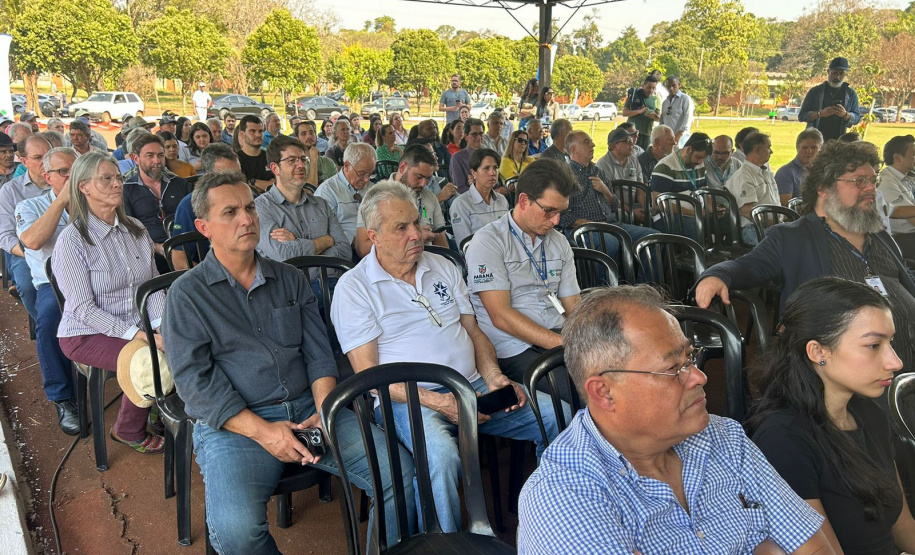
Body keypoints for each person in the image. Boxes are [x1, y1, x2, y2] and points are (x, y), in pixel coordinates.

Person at [162, 171, 416, 553]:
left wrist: (325, 410)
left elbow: (319, 354)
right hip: (237, 423)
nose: (247, 219)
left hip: (308, 408)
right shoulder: (187, 295)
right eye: (230, 212)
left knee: (400, 472)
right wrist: (264, 432)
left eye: (250, 208)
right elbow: (196, 385)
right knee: (236, 533)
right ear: (204, 227)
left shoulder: (290, 278)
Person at [517, 285, 833, 553]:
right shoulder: (562, 495)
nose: (699, 377)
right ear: (605, 393)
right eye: (672, 369)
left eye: (690, 358)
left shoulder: (724, 437)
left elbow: (815, 548)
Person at [332, 179, 560, 534]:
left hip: (473, 385)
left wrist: (494, 376)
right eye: (402, 228)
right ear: (373, 236)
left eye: (417, 222)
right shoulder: (354, 288)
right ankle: (447, 542)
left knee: (557, 417)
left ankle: (549, 523)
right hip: (409, 399)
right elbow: (370, 376)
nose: (417, 235)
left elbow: (475, 332)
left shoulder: (442, 266)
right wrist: (441, 402)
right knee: (441, 457)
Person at [695, 139, 915, 372]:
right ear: (823, 188)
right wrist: (717, 275)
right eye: (860, 181)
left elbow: (904, 278)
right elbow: (749, 266)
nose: (871, 188)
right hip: (842, 371)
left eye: (873, 180)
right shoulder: (792, 237)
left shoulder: (879, 236)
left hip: (905, 359)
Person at [749, 277, 915, 554]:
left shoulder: (869, 413)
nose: (895, 362)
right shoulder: (783, 440)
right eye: (874, 345)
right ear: (818, 351)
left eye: (891, 342)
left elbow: (904, 528)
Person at [53, 152, 165, 454]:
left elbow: (151, 286)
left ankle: (158, 403)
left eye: (118, 177)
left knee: (181, 341)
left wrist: (161, 326)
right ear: (84, 187)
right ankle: (128, 428)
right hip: (85, 333)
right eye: (106, 178)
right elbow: (82, 308)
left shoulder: (136, 229)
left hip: (135, 324)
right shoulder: (72, 240)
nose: (117, 184)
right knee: (148, 359)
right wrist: (140, 335)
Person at [465, 158, 581, 385]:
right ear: (524, 200)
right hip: (514, 347)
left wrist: (588, 338)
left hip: (558, 335)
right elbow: (501, 316)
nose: (556, 221)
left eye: (561, 212)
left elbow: (573, 304)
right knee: (578, 390)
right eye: (549, 211)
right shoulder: (489, 241)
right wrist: (566, 345)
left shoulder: (559, 242)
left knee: (613, 375)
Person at [14, 146, 79, 434]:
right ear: (48, 176)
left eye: (76, 171)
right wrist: (63, 200)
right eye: (63, 172)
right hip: (53, 283)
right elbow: (33, 241)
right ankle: (62, 397)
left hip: (96, 278)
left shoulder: (95, 202)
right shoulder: (29, 206)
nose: (71, 177)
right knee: (50, 316)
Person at [255, 135, 351, 296]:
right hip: (292, 293)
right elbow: (283, 256)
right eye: (292, 160)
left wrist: (297, 245)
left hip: (334, 287)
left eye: (303, 159)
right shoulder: (261, 207)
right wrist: (325, 241)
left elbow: (345, 252)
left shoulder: (321, 204)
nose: (301, 165)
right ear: (275, 168)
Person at [562, 131, 659, 252]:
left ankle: (637, 265)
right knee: (611, 243)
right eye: (587, 142)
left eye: (591, 141)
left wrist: (605, 191)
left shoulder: (598, 172)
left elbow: (613, 206)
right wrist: (590, 224)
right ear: (574, 149)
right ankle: (616, 265)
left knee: (654, 238)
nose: (593, 145)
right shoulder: (565, 176)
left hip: (611, 224)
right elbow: (561, 215)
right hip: (583, 230)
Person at [354, 145, 448, 257]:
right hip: (390, 264)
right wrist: (416, 237)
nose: (423, 184)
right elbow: (362, 248)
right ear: (403, 167)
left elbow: (442, 245)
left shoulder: (430, 197)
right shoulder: (375, 197)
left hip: (427, 261)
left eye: (428, 179)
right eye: (419, 177)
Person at [122, 133, 191, 273]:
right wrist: (158, 248)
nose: (157, 161)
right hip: (148, 255)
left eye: (160, 155)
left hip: (186, 247)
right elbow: (128, 232)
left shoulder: (180, 183)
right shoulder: (127, 190)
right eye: (150, 156)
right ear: (135, 158)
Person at [169, 143, 241, 269]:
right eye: (224, 177)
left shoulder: (249, 199)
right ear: (207, 175)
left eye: (237, 175)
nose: (233, 182)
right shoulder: (188, 206)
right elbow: (179, 259)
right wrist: (207, 277)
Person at [0, 135, 51, 314]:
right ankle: (43, 323)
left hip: (64, 248)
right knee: (27, 285)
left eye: (48, 156)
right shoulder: (11, 191)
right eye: (38, 158)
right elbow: (5, 236)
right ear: (23, 161)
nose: (46, 162)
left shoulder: (64, 184)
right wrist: (31, 254)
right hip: (25, 252)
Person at [649, 132, 712, 235]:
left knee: (726, 221)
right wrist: (692, 213)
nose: (700, 162)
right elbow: (657, 204)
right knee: (693, 226)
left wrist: (713, 210)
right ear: (688, 150)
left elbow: (705, 192)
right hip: (667, 216)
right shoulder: (666, 166)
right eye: (698, 157)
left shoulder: (699, 165)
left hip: (696, 213)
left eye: (703, 158)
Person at [314, 143, 376, 246]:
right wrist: (354, 241)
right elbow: (323, 230)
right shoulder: (327, 191)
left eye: (370, 174)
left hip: (373, 242)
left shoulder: (373, 189)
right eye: (362, 174)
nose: (366, 180)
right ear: (347, 166)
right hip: (343, 248)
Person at [725, 132, 778, 245]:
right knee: (784, 250)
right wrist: (776, 223)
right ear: (757, 149)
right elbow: (747, 211)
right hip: (754, 229)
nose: (771, 151)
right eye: (768, 147)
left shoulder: (765, 173)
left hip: (772, 228)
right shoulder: (743, 176)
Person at [450, 148, 509, 246]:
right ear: (474, 173)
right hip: (478, 254)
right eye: (486, 168)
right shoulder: (461, 204)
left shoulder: (502, 200)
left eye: (495, 168)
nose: (492, 173)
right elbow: (464, 245)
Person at [799, 57, 862, 143]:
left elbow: (857, 118)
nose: (837, 77)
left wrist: (845, 114)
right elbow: (802, 116)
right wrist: (820, 113)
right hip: (816, 141)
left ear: (845, 74)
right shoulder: (815, 92)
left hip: (840, 141)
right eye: (834, 73)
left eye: (841, 73)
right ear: (828, 72)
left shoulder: (850, 94)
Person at [877, 134, 915, 259]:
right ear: (897, 158)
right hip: (902, 239)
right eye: (913, 154)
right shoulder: (887, 182)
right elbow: (912, 219)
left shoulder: (908, 176)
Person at [776, 129, 824, 205]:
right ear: (797, 148)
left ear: (821, 149)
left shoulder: (824, 170)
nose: (809, 151)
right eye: (805, 148)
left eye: (813, 147)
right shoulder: (785, 173)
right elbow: (785, 206)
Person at [235, 115, 274, 194]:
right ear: (242, 134)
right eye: (252, 131)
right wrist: (265, 185)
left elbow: (277, 186)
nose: (258, 135)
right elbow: (242, 190)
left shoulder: (271, 156)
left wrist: (253, 181)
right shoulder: (235, 160)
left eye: (260, 131)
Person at [623, 74, 661, 151]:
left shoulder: (656, 99)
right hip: (633, 134)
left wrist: (654, 116)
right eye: (649, 87)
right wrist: (638, 111)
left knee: (644, 155)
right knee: (631, 154)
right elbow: (624, 112)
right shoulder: (634, 96)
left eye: (653, 88)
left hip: (647, 134)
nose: (651, 90)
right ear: (643, 85)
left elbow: (659, 118)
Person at [293, 120, 336, 188]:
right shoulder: (296, 166)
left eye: (311, 132)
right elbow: (308, 190)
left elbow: (336, 188)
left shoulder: (328, 163)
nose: (309, 136)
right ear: (297, 139)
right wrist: (313, 159)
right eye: (304, 134)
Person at [450, 118, 485, 193]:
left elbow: (497, 183)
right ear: (466, 137)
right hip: (469, 198)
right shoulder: (457, 158)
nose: (479, 137)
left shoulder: (489, 156)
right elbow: (459, 188)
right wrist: (480, 192)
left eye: (481, 134)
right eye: (474, 134)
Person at [660, 76, 695, 148]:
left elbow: (688, 117)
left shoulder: (685, 99)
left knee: (681, 154)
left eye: (674, 85)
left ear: (679, 85)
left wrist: (680, 133)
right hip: (668, 138)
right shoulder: (665, 102)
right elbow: (662, 120)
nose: (671, 88)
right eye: (669, 86)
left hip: (682, 137)